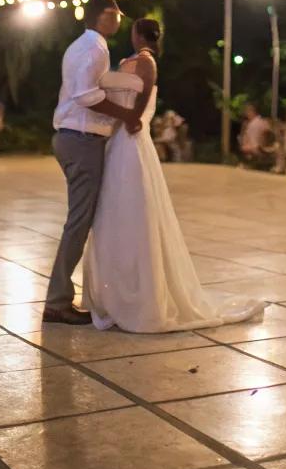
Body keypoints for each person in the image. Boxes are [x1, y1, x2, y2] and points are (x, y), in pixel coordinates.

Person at [83, 18, 266, 332]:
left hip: (130, 141)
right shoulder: (138, 61)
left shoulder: (145, 60)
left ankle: (139, 294)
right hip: (119, 141)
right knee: (114, 212)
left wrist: (131, 115)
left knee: (132, 212)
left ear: (139, 34)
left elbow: (138, 100)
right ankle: (117, 290)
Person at [43, 0, 142, 326]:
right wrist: (125, 114)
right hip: (80, 139)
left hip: (75, 137)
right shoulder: (95, 48)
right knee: (79, 220)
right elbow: (85, 96)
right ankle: (57, 301)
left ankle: (63, 296)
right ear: (104, 15)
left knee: (81, 218)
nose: (119, 22)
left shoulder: (84, 45)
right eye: (115, 15)